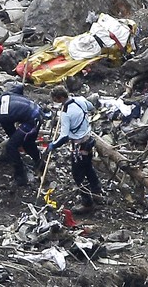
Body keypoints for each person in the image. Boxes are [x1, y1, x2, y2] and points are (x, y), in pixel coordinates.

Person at [47, 86, 103, 214]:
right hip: (89, 140)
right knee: (88, 168)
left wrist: (54, 145)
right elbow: (91, 107)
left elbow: (64, 136)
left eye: (56, 99)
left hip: (79, 146)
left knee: (78, 175)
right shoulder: (80, 100)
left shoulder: (66, 113)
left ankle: (87, 203)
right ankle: (96, 192)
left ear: (60, 98)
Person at [0, 82, 43, 186]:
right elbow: (19, 87)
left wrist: (14, 147)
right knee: (26, 142)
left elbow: (11, 132)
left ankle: (20, 177)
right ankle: (39, 162)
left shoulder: (3, 116)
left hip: (32, 120)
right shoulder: (2, 97)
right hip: (35, 109)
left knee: (12, 146)